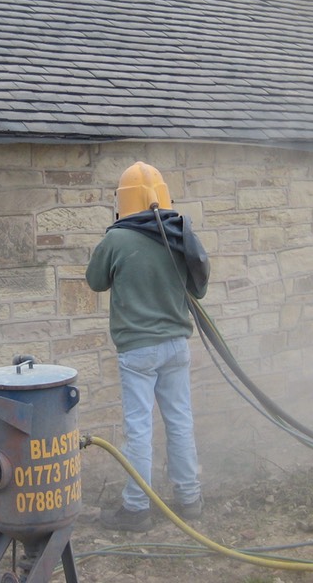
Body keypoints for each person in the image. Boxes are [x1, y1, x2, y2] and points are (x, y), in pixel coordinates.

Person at [85, 161, 210, 532]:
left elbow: (94, 281)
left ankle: (137, 509)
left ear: (122, 202)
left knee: (139, 429)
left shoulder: (116, 239)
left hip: (138, 351)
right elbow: (198, 287)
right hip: (175, 346)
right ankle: (189, 500)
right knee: (180, 422)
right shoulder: (180, 232)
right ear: (163, 196)